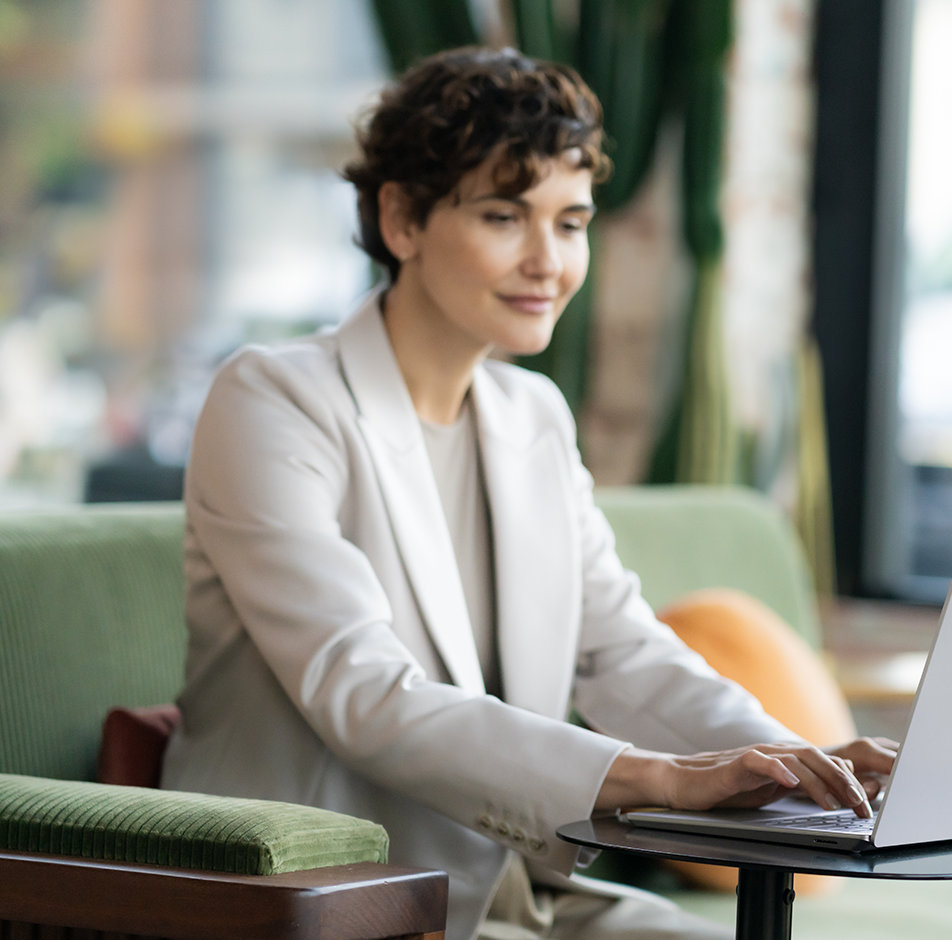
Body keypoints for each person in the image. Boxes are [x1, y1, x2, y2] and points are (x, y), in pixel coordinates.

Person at [160, 46, 897, 940]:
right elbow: (364, 693)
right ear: (401, 218)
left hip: (514, 890)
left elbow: (622, 650)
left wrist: (798, 767)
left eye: (572, 221)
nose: (548, 260)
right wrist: (660, 777)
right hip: (336, 898)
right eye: (506, 215)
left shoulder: (532, 415)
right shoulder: (274, 398)